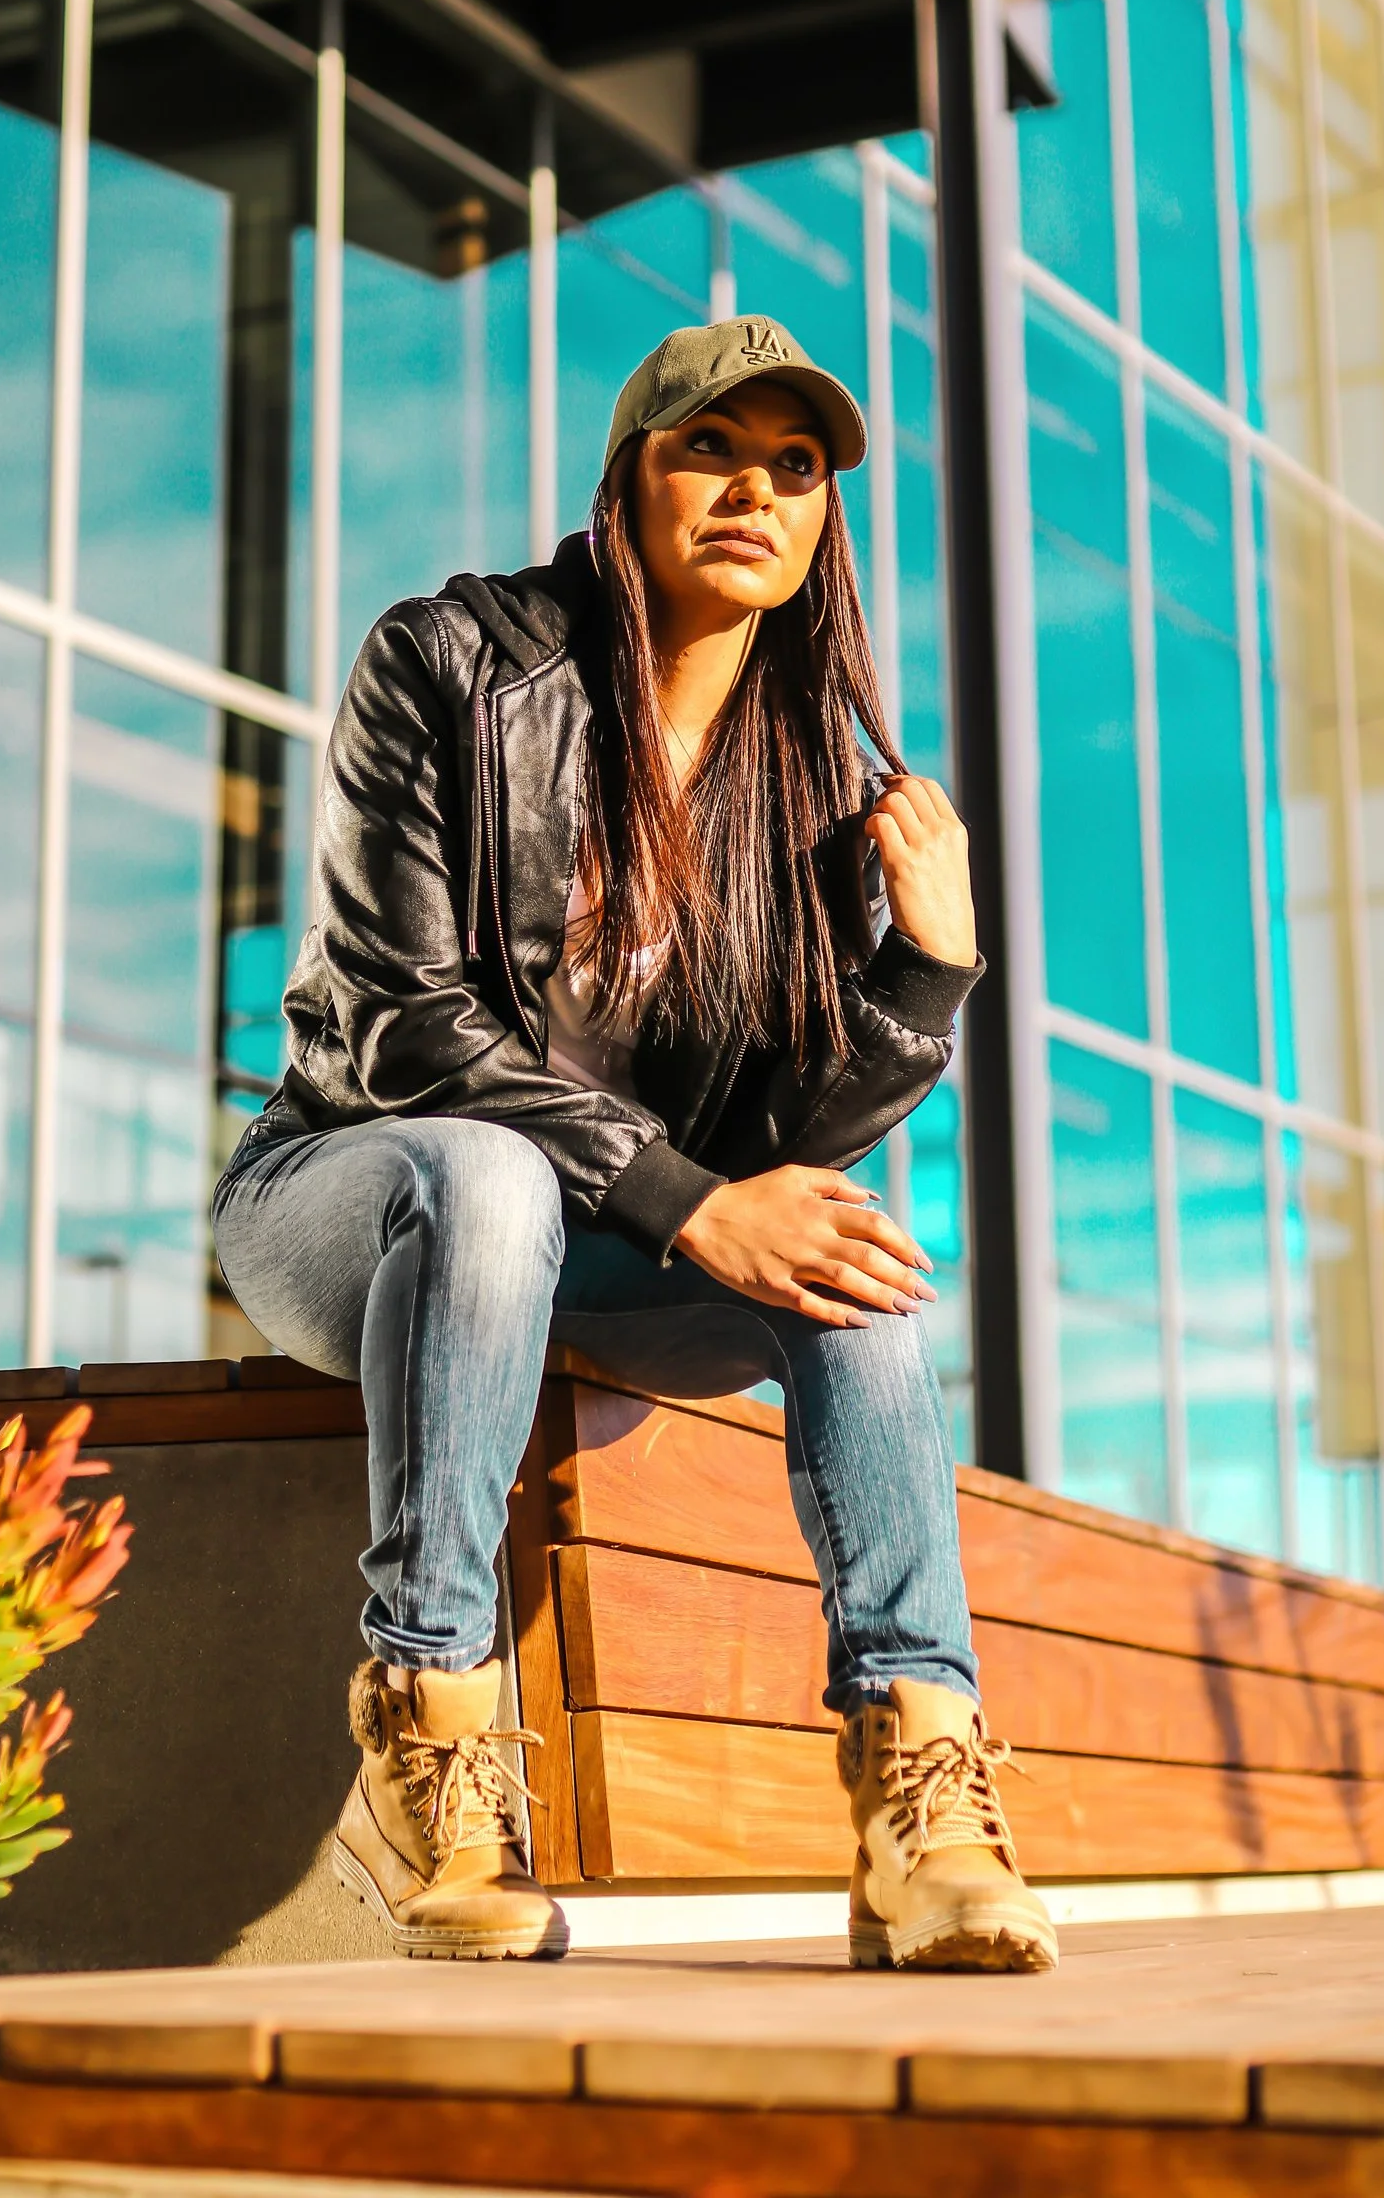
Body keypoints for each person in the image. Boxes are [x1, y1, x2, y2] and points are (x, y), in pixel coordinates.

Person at [212, 316, 1057, 1974]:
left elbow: (783, 1152)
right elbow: (406, 1029)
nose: (755, 488)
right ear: (626, 485)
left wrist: (927, 968)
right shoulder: (453, 665)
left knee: (852, 1258)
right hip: (350, 1201)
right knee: (483, 1167)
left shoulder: (812, 783)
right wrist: (689, 1203)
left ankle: (916, 1782)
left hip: (589, 1252)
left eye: (795, 466)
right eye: (709, 450)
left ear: (824, 527)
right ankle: (432, 1742)